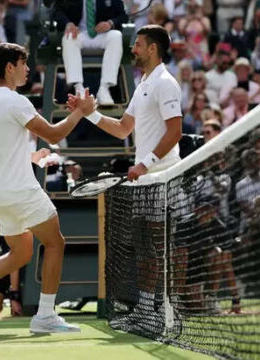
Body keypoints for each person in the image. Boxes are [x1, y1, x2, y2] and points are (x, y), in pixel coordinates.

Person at [0, 42, 96, 334]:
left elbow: (1, 147)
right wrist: (81, 112)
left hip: (0, 195)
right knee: (55, 243)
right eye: (23, 63)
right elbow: (53, 133)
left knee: (21, 252)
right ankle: (45, 316)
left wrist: (30, 157)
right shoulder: (16, 101)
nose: (28, 69)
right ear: (10, 67)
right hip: (21, 190)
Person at [68, 24, 182, 324]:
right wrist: (88, 112)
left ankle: (168, 310)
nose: (133, 50)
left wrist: (145, 163)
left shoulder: (165, 83)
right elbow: (122, 129)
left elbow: (175, 131)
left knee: (158, 246)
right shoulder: (144, 83)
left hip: (163, 176)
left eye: (138, 45)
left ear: (153, 49)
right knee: (145, 246)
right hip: (146, 178)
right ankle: (147, 310)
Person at [53, 0, 128, 105]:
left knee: (116, 36)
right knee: (68, 37)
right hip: (79, 33)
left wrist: (110, 23)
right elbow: (57, 12)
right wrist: (68, 24)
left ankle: (104, 88)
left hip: (101, 34)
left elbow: (123, 16)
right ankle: (79, 88)